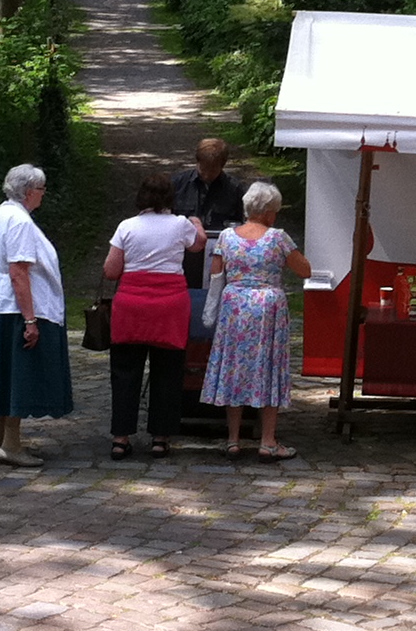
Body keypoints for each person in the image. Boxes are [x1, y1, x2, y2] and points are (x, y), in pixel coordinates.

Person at [201, 180, 311, 460]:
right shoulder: (278, 237)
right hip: (266, 307)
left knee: (234, 369)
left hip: (235, 305)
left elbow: (215, 276)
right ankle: (267, 440)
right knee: (268, 368)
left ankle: (233, 440)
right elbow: (304, 270)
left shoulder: (226, 237)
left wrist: (210, 314)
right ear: (268, 211)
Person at [0, 162, 71, 462]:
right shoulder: (20, 222)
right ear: (29, 192)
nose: (44, 195)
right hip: (14, 308)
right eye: (41, 189)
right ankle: (11, 445)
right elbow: (18, 271)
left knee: (3, 371)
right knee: (18, 375)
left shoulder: (1, 213)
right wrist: (30, 319)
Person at [102, 174, 203, 459]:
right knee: (168, 373)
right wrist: (196, 222)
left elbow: (111, 271)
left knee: (124, 372)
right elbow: (199, 244)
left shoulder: (126, 227)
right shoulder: (180, 225)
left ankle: (121, 438)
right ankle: (160, 437)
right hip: (170, 306)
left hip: (132, 306)